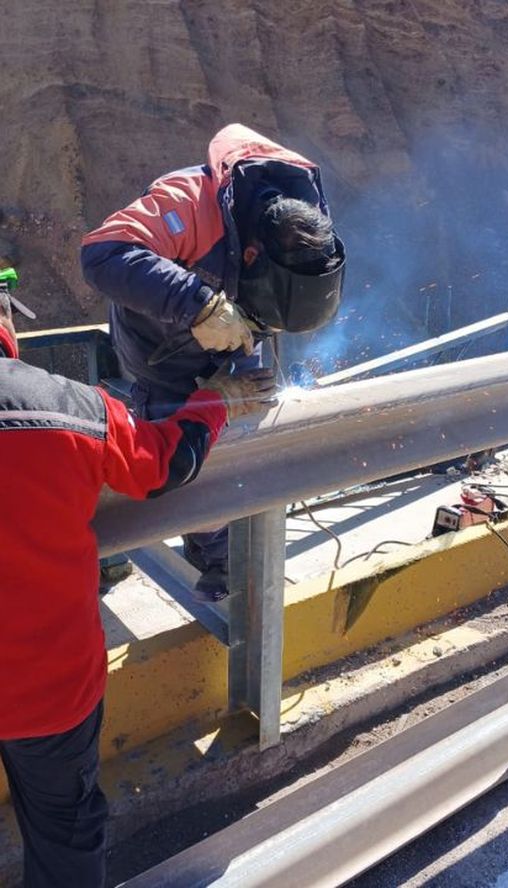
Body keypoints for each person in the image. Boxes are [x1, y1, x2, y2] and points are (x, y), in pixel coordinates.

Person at [0, 268, 275, 887]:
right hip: (48, 691)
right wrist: (218, 403)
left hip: (47, 689)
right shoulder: (70, 405)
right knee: (64, 832)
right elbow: (161, 464)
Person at [80, 124, 346, 601]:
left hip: (244, 334)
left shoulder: (306, 219)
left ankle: (228, 566)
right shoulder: (188, 202)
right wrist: (199, 305)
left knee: (244, 448)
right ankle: (205, 544)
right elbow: (104, 253)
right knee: (179, 463)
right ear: (250, 255)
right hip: (163, 354)